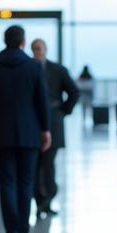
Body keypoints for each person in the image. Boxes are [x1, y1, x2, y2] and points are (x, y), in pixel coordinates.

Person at [0, 26, 51, 233]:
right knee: (25, 183)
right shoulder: (33, 66)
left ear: (4, 41)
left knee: (7, 182)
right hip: (29, 132)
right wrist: (45, 129)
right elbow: (42, 101)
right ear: (23, 42)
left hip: (1, 132)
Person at [31, 38, 79, 218]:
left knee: (48, 164)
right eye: (34, 49)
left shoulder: (58, 70)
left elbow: (74, 92)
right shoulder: (28, 69)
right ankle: (38, 200)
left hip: (54, 122)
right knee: (35, 165)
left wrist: (63, 111)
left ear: (46, 50)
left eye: (40, 49)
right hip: (33, 123)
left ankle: (47, 199)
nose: (37, 52)